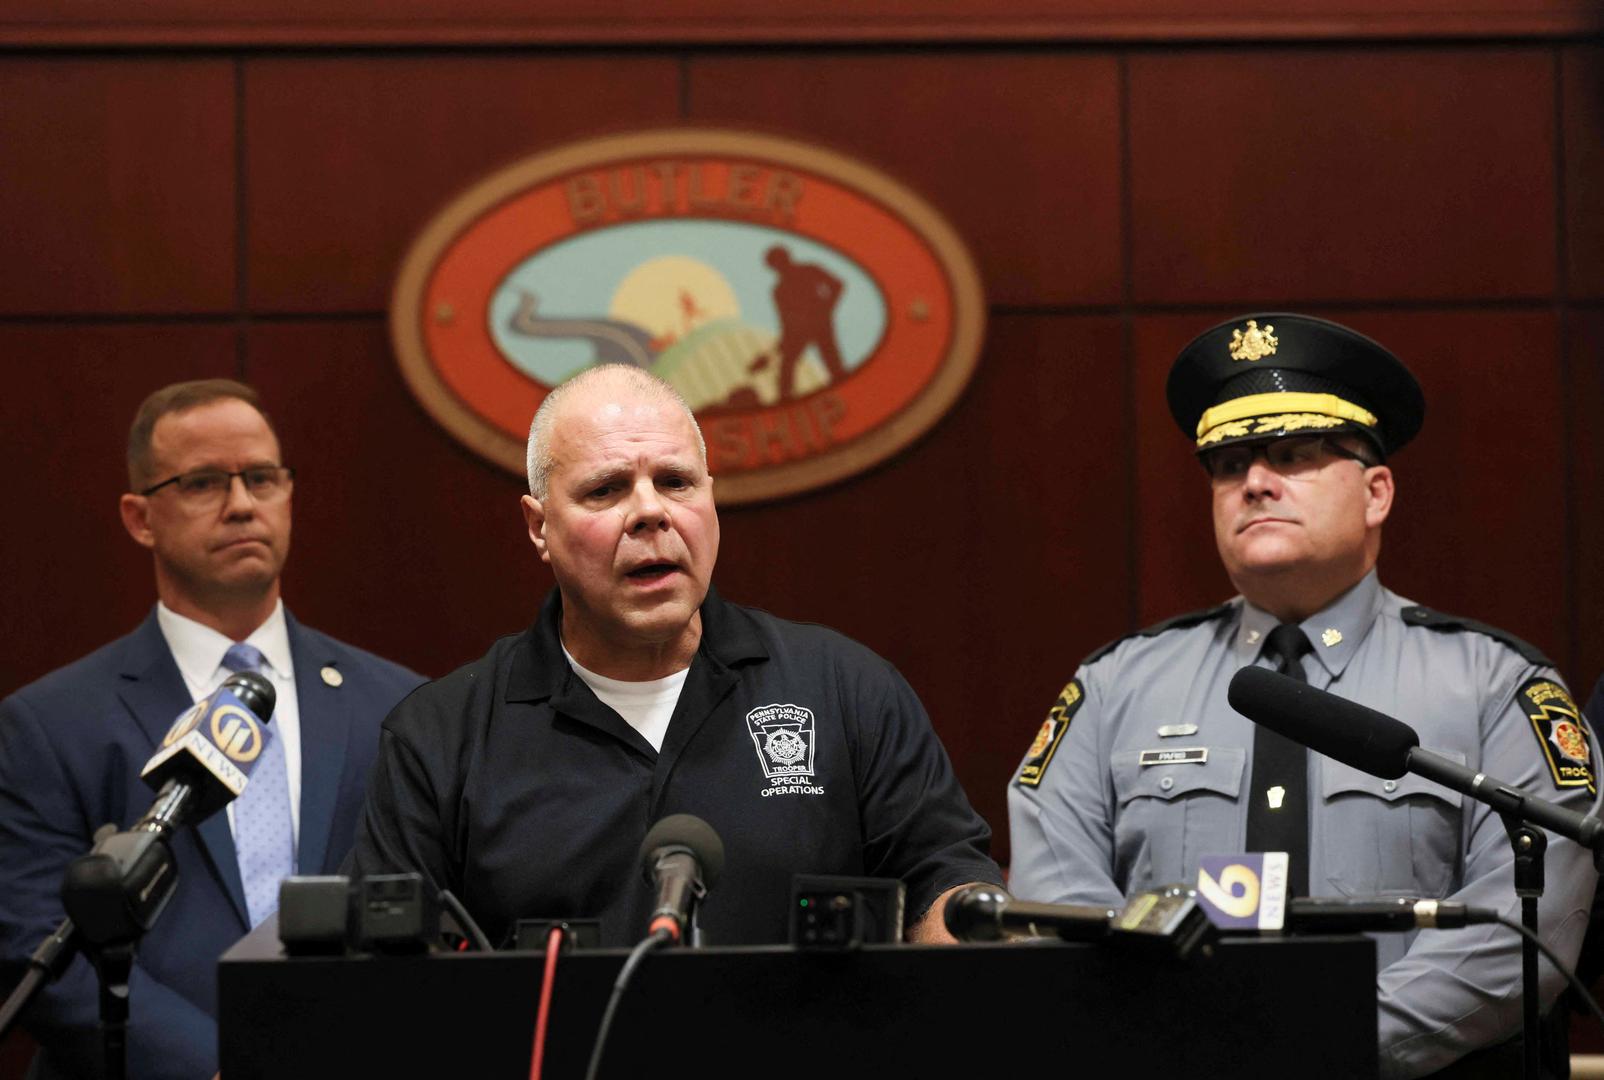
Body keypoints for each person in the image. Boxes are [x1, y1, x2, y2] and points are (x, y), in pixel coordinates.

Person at [1007, 314, 1598, 1078]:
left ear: (1377, 491)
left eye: (1294, 455)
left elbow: (1529, 926)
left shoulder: (1496, 684)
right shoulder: (1115, 684)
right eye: (1227, 465)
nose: (1253, 482)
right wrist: (1170, 1037)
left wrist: (1326, 1044)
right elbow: (1054, 899)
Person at [352, 363, 999, 946]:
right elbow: (387, 980)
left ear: (711, 499)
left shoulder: (845, 690)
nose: (650, 513)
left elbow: (946, 882)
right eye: (605, 490)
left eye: (675, 482)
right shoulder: (441, 737)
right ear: (538, 526)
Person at [0, 380, 422, 1080]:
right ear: (140, 518)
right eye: (203, 483)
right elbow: (35, 946)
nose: (241, 505)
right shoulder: (48, 725)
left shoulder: (399, 706)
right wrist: (219, 1068)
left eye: (261, 478)